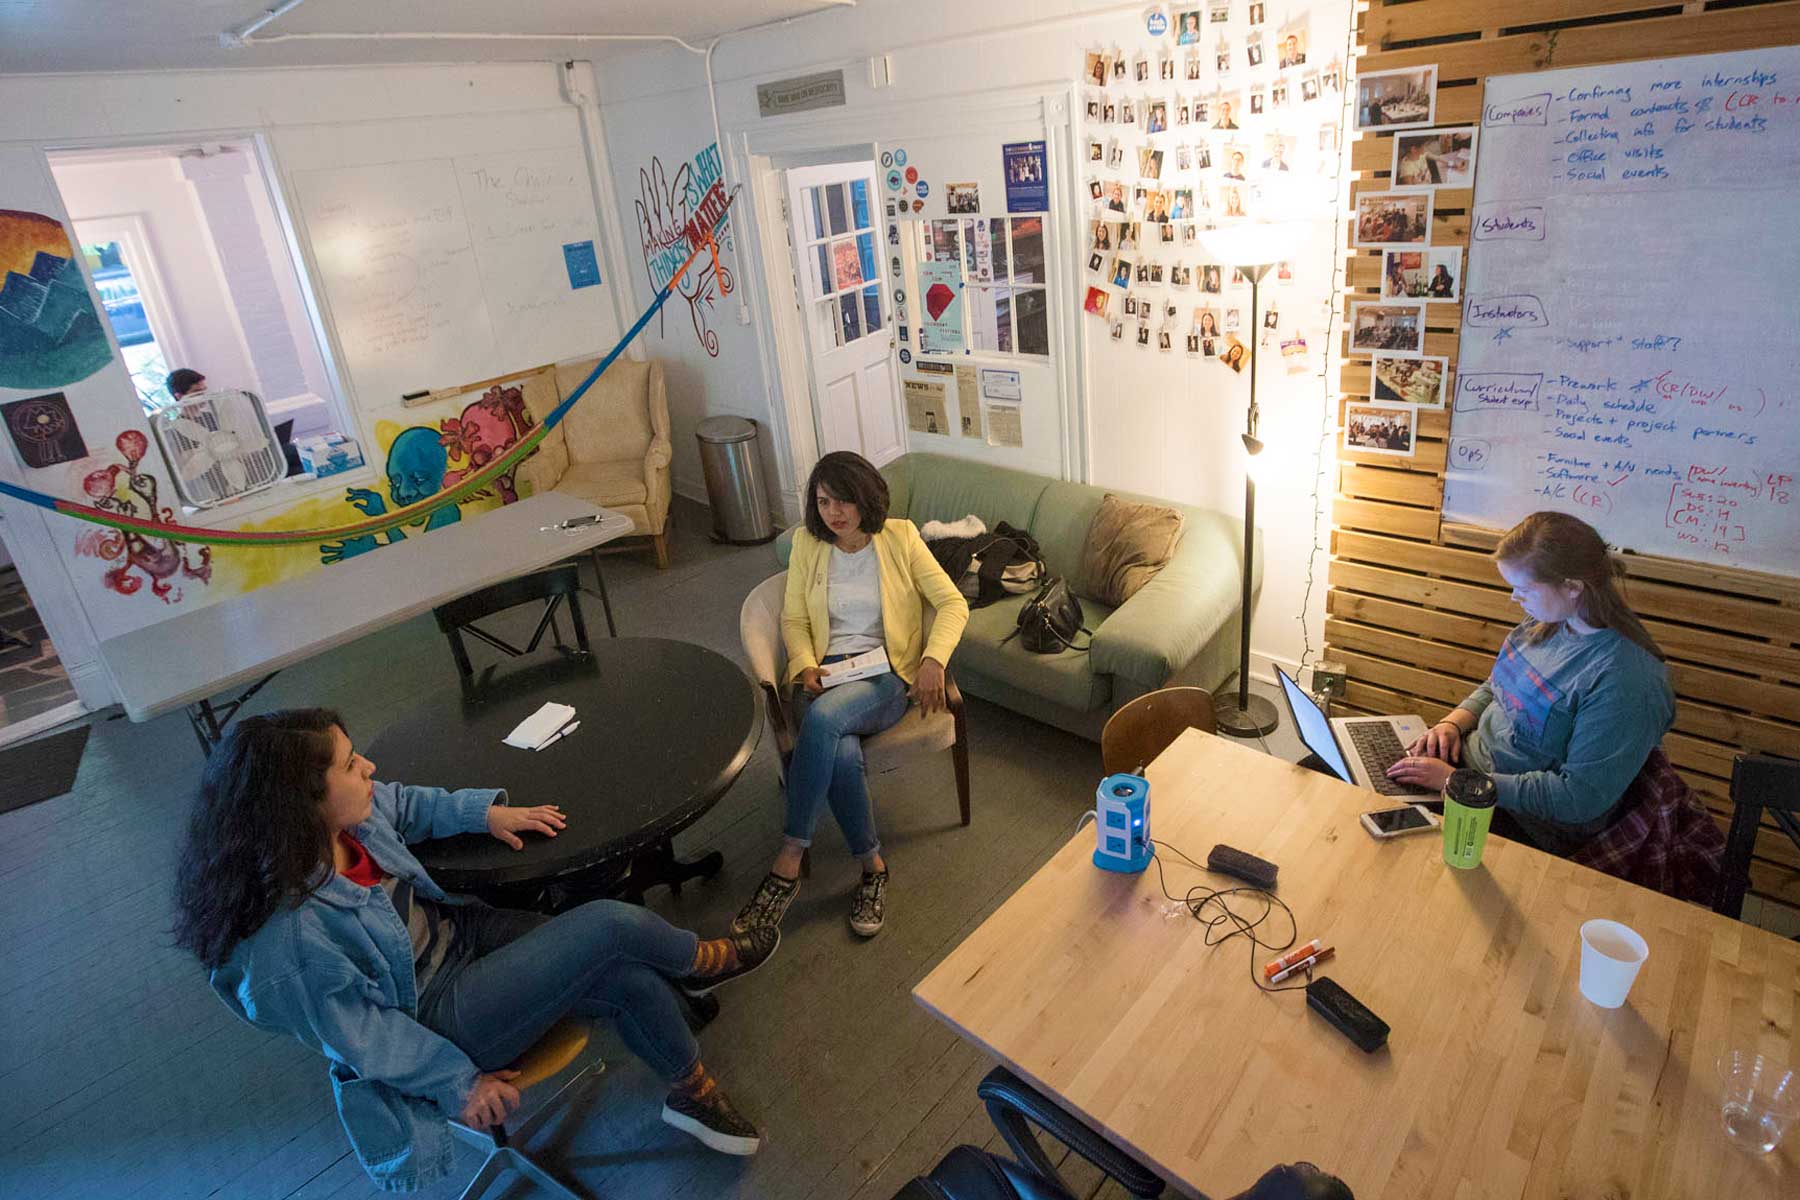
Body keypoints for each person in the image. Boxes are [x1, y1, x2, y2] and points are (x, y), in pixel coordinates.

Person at [172, 710, 779, 1193]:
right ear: (302, 802)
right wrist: (459, 1084)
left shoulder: (344, 821)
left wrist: (483, 812)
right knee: (605, 928)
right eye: (351, 765)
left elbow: (404, 802)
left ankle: (690, 1093)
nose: (369, 767)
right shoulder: (290, 938)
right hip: (436, 1021)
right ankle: (707, 961)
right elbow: (365, 1038)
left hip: (460, 940)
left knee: (622, 973)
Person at [734, 451, 969, 940]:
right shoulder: (807, 544)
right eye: (823, 501)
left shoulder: (901, 538)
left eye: (844, 501)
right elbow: (794, 619)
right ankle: (872, 867)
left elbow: (952, 602)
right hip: (824, 675)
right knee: (838, 749)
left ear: (867, 499)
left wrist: (933, 659)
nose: (833, 513)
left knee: (822, 724)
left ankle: (789, 859)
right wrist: (802, 664)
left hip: (883, 677)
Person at [1387, 513, 1675, 854]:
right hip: (1466, 769)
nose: (1514, 598)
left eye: (1523, 589)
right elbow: (1497, 687)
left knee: (1385, 824)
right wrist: (1452, 723)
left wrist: (1457, 782)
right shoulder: (1549, 622)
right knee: (1342, 773)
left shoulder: (1626, 680)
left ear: (1572, 587)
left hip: (1525, 819)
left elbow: (1577, 798)